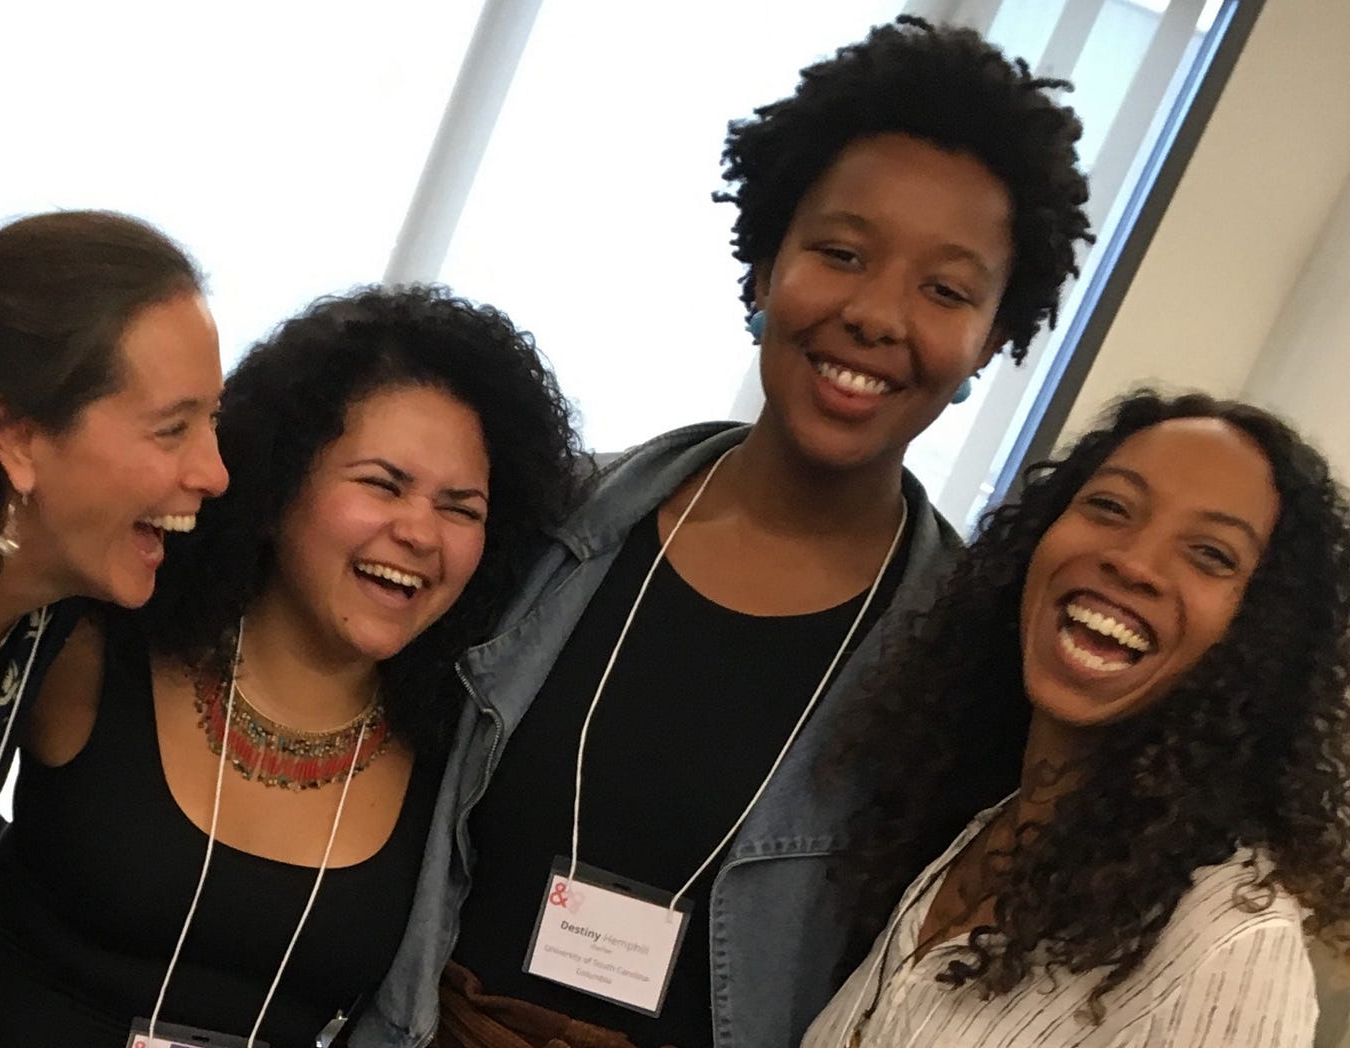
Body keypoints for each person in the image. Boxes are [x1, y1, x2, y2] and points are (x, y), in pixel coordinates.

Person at [403, 15, 1095, 1048]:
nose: (874, 313)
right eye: (841, 251)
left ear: (992, 337)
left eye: (943, 289)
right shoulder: (540, 523)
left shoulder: (973, 664)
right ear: (766, 262)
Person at [0, 284, 584, 1047]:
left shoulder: (465, 755)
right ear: (278, 486)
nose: (419, 532)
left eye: (460, 509)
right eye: (382, 484)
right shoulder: (99, 642)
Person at [804, 390, 1350, 1048]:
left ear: (1266, 634)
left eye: (1211, 554)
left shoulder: (1225, 941)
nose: (1133, 560)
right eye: (1110, 507)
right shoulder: (982, 830)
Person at [0, 210, 228, 876]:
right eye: (171, 430)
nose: (215, 473)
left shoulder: (52, 618)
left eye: (212, 419)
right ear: (16, 435)